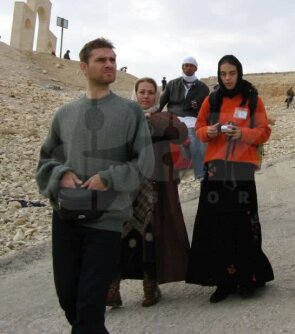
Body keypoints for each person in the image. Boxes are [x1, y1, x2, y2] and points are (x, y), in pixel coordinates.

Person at [35, 38, 154, 333]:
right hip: (65, 215)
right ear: (84, 67)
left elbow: (145, 163)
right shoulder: (64, 115)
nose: (110, 64)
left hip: (107, 219)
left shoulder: (130, 112)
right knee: (69, 298)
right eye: (102, 60)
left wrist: (108, 178)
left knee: (90, 304)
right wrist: (60, 173)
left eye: (113, 59)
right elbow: (45, 161)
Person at [186, 54, 274, 303]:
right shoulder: (211, 99)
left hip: (242, 167)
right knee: (217, 224)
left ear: (239, 72)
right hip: (216, 167)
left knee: (244, 222)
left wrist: (242, 133)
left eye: (232, 73)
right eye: (223, 74)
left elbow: (264, 131)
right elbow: (199, 128)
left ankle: (248, 278)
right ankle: (222, 281)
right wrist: (210, 131)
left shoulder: (252, 98)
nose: (228, 78)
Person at [106, 78, 190, 307]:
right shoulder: (123, 117)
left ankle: (150, 288)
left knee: (149, 234)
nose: (145, 96)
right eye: (141, 92)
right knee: (120, 235)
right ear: (135, 93)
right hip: (126, 186)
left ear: (157, 95)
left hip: (153, 187)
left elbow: (181, 133)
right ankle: (113, 287)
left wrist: (151, 120)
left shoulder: (163, 117)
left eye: (150, 92)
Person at [159, 56, 210, 180]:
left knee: (194, 138)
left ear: (195, 68)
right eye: (185, 65)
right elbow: (161, 103)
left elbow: (205, 108)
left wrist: (196, 106)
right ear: (182, 67)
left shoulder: (203, 88)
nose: (187, 68)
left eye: (190, 65)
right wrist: (154, 114)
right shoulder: (172, 84)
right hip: (173, 115)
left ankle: (200, 173)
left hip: (191, 118)